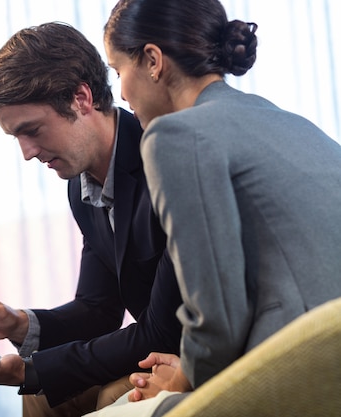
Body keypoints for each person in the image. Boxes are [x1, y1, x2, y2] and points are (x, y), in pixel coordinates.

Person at [88, 0, 341, 415]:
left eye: (119, 71)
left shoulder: (174, 135)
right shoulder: (287, 119)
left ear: (152, 61)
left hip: (303, 361)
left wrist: (185, 377)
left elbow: (217, 314)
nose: (121, 93)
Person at [0, 22, 184, 416]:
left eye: (31, 131)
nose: (28, 153)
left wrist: (32, 371)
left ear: (81, 98)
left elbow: (162, 330)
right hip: (155, 346)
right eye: (16, 137)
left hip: (189, 351)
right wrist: (17, 324)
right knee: (43, 395)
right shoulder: (81, 186)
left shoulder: (165, 162)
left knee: (92, 394)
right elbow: (99, 309)